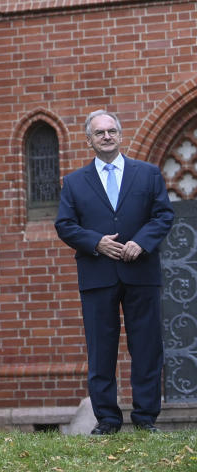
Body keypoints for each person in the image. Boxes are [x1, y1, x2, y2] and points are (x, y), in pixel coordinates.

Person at [55, 110, 174, 435]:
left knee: (147, 346)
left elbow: (163, 215)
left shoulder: (148, 174)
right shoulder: (75, 182)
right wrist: (96, 243)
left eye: (111, 131)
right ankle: (107, 419)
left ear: (120, 135)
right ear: (89, 140)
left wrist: (142, 242)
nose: (106, 137)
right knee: (101, 348)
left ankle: (146, 418)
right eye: (99, 133)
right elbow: (64, 225)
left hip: (141, 272)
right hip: (98, 274)